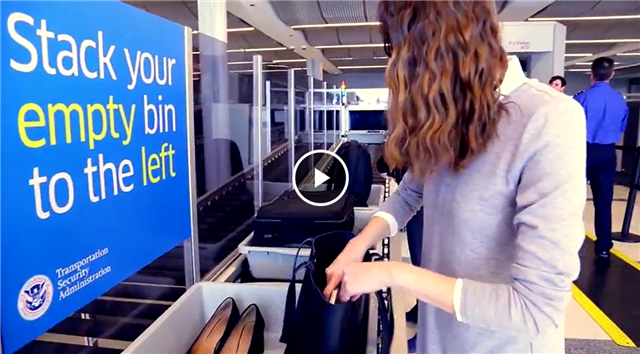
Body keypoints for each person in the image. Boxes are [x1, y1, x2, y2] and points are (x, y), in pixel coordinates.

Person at [322, 1, 587, 353]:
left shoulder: (548, 119)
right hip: (440, 331)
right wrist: (357, 245)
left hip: (498, 343)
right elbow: (409, 194)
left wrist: (391, 273)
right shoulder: (451, 114)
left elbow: (536, 308)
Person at [574, 57, 629, 259]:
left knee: (573, 201)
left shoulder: (581, 99)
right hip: (607, 153)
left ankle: (573, 245)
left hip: (583, 151)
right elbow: (621, 127)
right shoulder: (620, 102)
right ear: (612, 74)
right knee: (604, 201)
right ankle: (604, 246)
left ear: (591, 74)